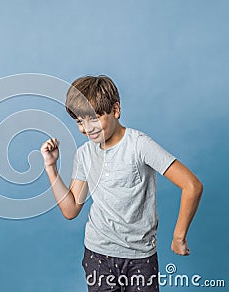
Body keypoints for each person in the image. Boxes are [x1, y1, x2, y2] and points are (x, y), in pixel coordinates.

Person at [40, 75, 203, 291]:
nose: (87, 128)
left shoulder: (139, 146)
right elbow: (70, 210)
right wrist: (51, 167)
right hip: (98, 256)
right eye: (80, 121)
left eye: (94, 118)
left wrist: (179, 236)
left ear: (115, 110)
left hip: (140, 258)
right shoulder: (84, 154)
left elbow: (192, 185)